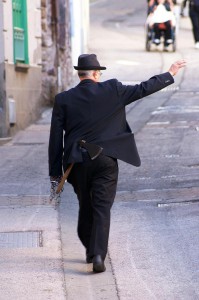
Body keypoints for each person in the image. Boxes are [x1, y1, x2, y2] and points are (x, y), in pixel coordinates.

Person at [48, 54, 186, 273]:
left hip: (77, 162)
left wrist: (55, 173)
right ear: (95, 74)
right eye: (99, 74)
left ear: (79, 74)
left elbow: (55, 138)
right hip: (105, 159)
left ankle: (90, 251)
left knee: (86, 204)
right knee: (102, 206)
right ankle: (99, 254)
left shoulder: (63, 99)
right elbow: (143, 88)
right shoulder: (113, 89)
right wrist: (169, 74)